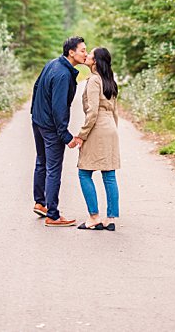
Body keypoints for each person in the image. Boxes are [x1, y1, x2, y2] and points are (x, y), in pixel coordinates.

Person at [32, 36, 88, 227]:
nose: (86, 54)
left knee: (42, 162)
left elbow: (36, 86)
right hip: (50, 126)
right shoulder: (63, 74)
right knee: (53, 169)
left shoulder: (52, 64)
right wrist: (65, 135)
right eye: (82, 50)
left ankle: (40, 203)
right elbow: (59, 108)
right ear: (71, 52)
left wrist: (34, 111)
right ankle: (53, 215)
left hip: (38, 121)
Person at [69, 47, 122, 231]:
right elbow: (114, 112)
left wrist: (82, 135)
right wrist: (113, 131)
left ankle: (94, 217)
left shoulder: (93, 81)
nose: (87, 56)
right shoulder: (111, 81)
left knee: (84, 172)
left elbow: (92, 113)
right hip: (110, 128)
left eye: (90, 54)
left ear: (96, 61)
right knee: (109, 175)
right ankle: (111, 219)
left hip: (97, 128)